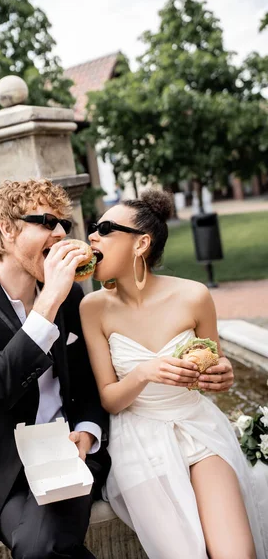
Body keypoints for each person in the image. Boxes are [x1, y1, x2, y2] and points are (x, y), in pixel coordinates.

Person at [80, 189, 266, 559]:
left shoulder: (194, 296)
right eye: (93, 228)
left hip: (198, 427)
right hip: (139, 438)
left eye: (104, 228)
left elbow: (215, 368)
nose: (91, 236)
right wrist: (144, 373)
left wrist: (221, 376)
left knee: (236, 553)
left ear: (141, 243)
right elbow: (109, 399)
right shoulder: (93, 308)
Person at [0, 178, 110, 559]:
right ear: (7, 230)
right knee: (41, 547)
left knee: (39, 547)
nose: (61, 232)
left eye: (65, 224)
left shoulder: (71, 294)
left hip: (69, 453)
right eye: (46, 221)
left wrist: (88, 431)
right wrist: (49, 303)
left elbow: (86, 383)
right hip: (1, 467)